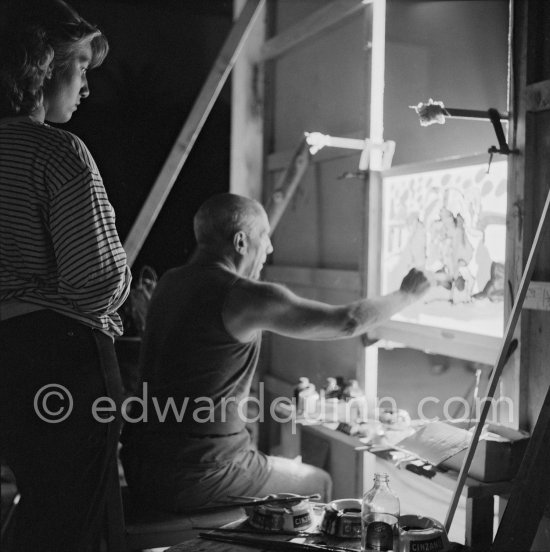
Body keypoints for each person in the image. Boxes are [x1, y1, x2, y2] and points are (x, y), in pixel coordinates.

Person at [120, 193, 430, 512]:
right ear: (240, 241)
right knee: (317, 482)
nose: (269, 248)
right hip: (198, 477)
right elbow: (347, 321)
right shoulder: (242, 296)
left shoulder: (169, 283)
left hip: (140, 466)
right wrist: (406, 294)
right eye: (264, 236)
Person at [0, 1, 131, 550]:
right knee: (78, 522)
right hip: (63, 357)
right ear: (42, 72)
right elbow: (98, 279)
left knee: (37, 503)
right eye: (79, 70)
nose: (85, 87)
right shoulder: (57, 152)